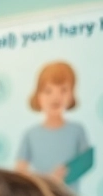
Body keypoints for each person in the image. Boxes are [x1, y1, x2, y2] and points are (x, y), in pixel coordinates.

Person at [16, 60, 91, 189]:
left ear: (72, 94)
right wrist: (47, 179)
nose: (56, 97)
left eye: (63, 90)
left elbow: (87, 161)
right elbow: (20, 170)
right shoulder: (31, 134)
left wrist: (66, 173)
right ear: (38, 95)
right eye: (48, 91)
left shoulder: (77, 130)